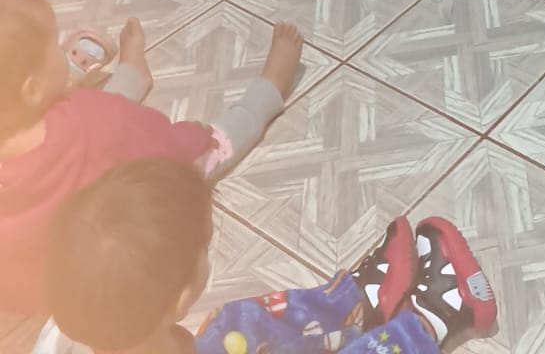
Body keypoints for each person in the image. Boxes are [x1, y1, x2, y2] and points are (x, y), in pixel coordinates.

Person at [0, 0, 303, 317]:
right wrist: (194, 137)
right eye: (55, 48)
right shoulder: (90, 119)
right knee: (212, 146)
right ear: (32, 89)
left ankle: (132, 75)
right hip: (110, 203)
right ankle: (267, 93)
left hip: (50, 291)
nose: (64, 51)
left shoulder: (82, 117)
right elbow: (159, 150)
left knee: (88, 113)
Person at [35, 158, 497, 354]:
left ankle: (356, 302)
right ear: (178, 299)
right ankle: (433, 320)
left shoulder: (80, 324)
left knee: (237, 321)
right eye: (204, 245)